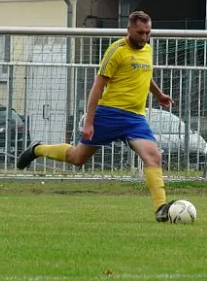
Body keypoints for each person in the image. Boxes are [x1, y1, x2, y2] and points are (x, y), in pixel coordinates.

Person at [17, 11, 176, 221]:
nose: (144, 37)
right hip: (109, 114)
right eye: (140, 33)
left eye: (147, 33)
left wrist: (159, 94)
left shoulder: (147, 49)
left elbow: (144, 75)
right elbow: (97, 87)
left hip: (135, 118)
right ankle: (37, 149)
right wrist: (90, 122)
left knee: (153, 156)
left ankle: (161, 208)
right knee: (77, 158)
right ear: (129, 30)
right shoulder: (116, 50)